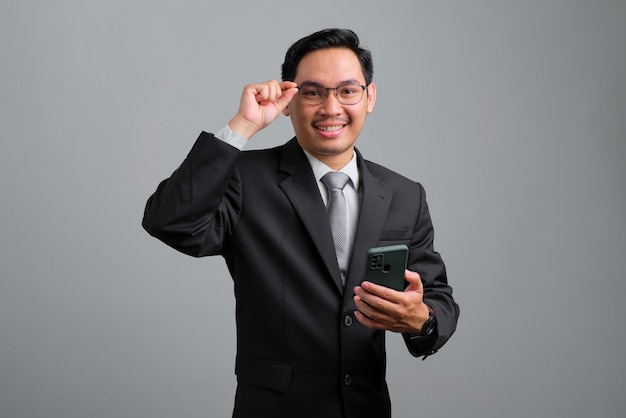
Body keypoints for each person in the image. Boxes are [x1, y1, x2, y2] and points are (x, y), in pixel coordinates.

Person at [143, 28, 459, 418]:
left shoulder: (405, 194)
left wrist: (421, 321)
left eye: (347, 91)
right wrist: (241, 126)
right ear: (289, 101)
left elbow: (438, 297)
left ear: (369, 97)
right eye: (312, 92)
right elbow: (170, 222)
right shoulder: (244, 178)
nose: (331, 108)